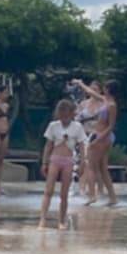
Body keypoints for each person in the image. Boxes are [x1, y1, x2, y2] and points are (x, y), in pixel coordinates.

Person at [38, 98, 86, 230]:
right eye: (62, 115)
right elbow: (48, 145)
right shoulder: (53, 126)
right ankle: (42, 219)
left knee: (64, 193)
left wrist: (82, 163)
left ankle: (61, 221)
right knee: (48, 190)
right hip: (55, 159)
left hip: (68, 161)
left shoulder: (77, 127)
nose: (64, 118)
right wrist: (44, 162)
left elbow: (82, 146)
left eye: (67, 115)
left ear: (71, 114)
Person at [75, 78, 120, 207]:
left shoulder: (112, 105)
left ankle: (92, 196)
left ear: (109, 89)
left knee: (90, 166)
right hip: (100, 136)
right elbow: (91, 92)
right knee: (102, 169)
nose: (103, 89)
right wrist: (80, 83)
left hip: (101, 137)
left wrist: (97, 140)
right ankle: (113, 198)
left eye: (105, 87)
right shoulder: (105, 100)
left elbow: (111, 126)